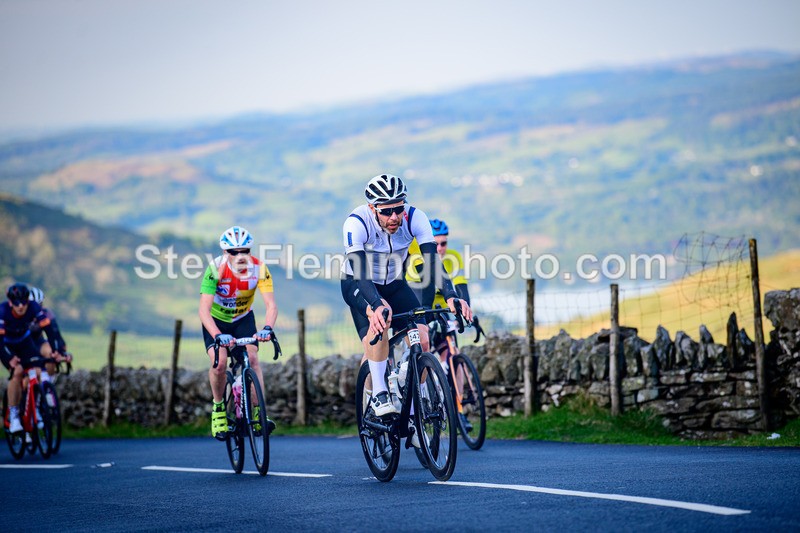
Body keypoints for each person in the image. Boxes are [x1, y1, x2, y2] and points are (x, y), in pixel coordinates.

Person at [341, 174, 472, 446]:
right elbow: (361, 271)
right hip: (359, 284)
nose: (394, 217)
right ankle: (377, 392)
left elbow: (431, 259)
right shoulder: (356, 223)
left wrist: (450, 295)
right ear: (372, 209)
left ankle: (412, 412)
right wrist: (375, 305)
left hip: (395, 283)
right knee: (379, 327)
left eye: (398, 208)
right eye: (386, 211)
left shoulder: (415, 218)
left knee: (422, 337)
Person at [199, 226, 278, 439]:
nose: (240, 256)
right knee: (220, 363)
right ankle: (218, 411)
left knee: (252, 359)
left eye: (245, 250)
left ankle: (258, 413)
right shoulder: (215, 269)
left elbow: (271, 305)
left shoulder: (259, 269)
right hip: (216, 321)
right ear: (226, 253)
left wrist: (268, 328)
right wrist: (217, 335)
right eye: (234, 252)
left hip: (243, 319)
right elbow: (203, 310)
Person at [0, 283, 59, 433]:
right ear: (10, 302)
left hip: (25, 342)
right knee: (18, 372)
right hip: (6, 344)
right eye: (16, 303)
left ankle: (36, 407)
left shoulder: (34, 307)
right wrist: (9, 358)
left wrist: (55, 351)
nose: (20, 307)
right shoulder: (3, 311)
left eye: (24, 302)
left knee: (39, 369)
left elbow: (49, 329)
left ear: (28, 301)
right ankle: (13, 415)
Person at [27, 286, 71, 378]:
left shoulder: (46, 313)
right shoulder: (22, 314)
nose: (37, 309)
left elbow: (55, 333)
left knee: (51, 352)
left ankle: (48, 385)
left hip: (39, 343)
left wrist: (60, 351)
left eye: (40, 305)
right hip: (24, 346)